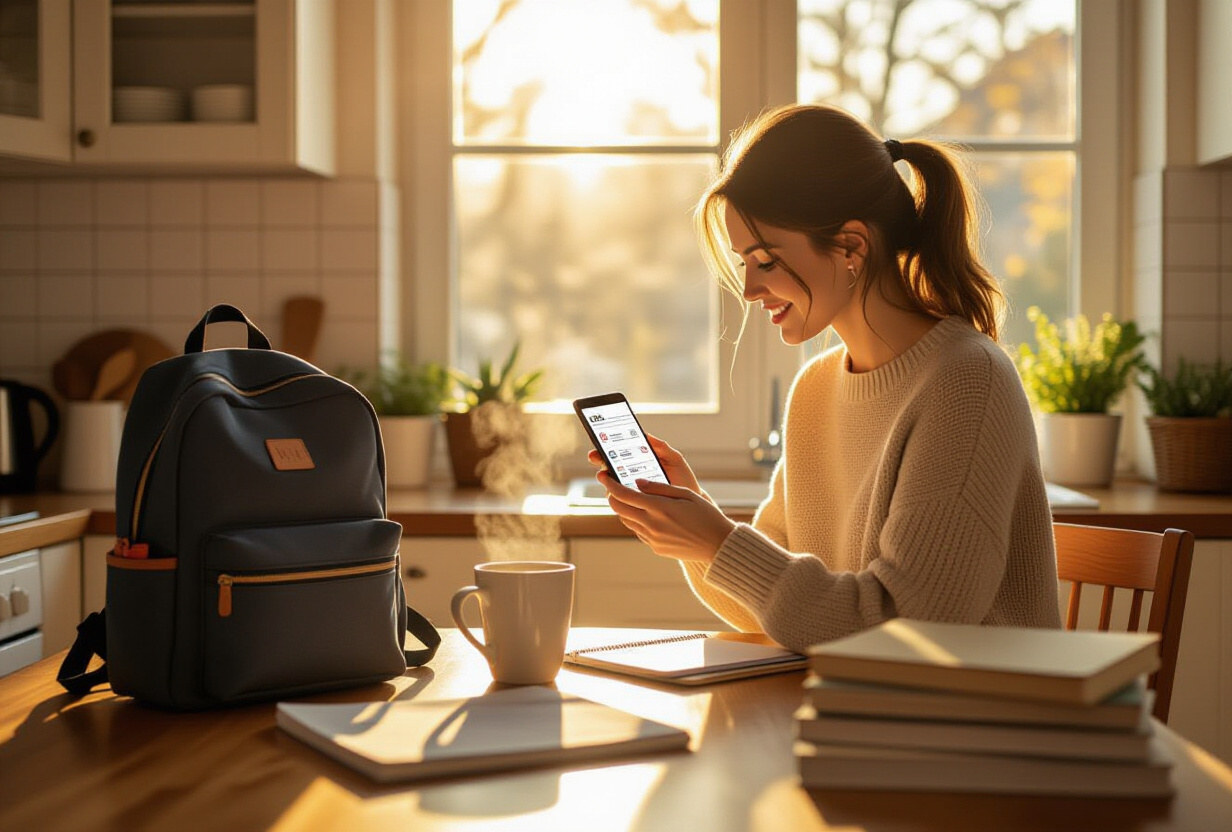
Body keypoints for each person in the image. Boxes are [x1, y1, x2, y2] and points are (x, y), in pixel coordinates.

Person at [589, 103, 1062, 654]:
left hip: (973, 722)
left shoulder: (967, 381)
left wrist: (720, 543)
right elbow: (776, 613)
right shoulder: (814, 389)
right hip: (858, 707)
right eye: (745, 263)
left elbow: (908, 632)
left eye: (765, 260)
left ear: (850, 247)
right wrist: (698, 530)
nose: (748, 290)